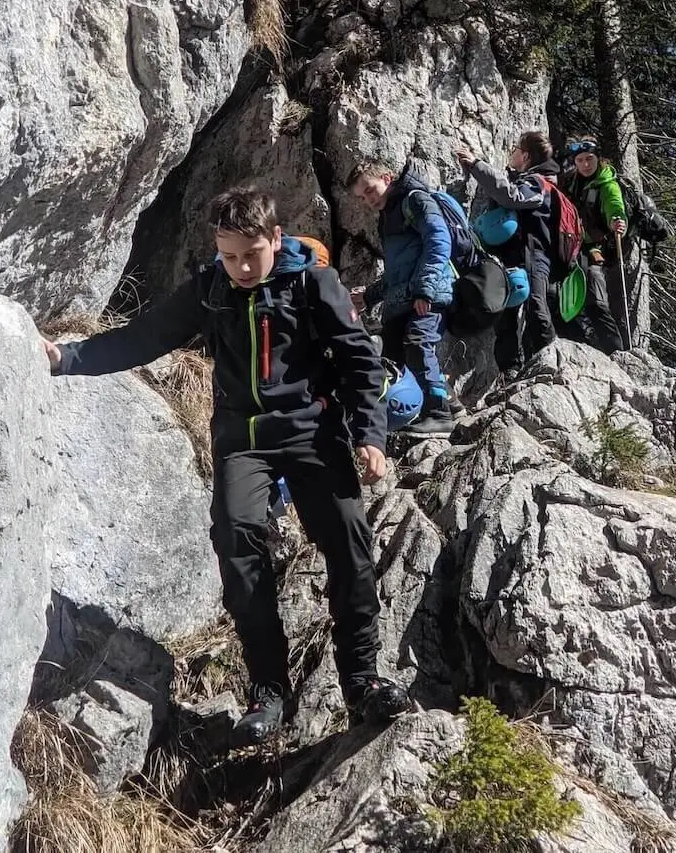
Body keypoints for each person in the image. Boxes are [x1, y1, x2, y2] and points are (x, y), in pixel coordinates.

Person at [42, 187, 411, 743]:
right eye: (228, 253)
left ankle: (361, 683)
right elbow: (147, 337)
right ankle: (269, 691)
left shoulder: (312, 283)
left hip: (313, 430)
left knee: (348, 541)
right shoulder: (212, 289)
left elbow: (360, 361)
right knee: (238, 542)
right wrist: (66, 358)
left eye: (251, 254)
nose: (240, 266)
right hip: (244, 438)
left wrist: (370, 435)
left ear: (275, 241)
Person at [347, 159, 460, 437]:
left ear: (387, 177)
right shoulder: (389, 216)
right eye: (362, 197)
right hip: (402, 300)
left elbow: (439, 240)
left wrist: (425, 289)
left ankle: (439, 414)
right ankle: (444, 403)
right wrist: (370, 296)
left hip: (426, 294)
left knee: (419, 344)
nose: (368, 200)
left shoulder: (416, 199)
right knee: (393, 359)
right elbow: (397, 270)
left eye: (370, 191)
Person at [456, 130, 563, 377]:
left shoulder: (538, 183)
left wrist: (477, 166)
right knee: (506, 311)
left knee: (536, 308)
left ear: (524, 155)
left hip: (535, 255)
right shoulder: (525, 179)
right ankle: (511, 371)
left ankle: (548, 363)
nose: (511, 153)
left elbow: (511, 196)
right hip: (514, 256)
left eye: (515, 149)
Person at [561, 138, 627, 354]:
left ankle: (616, 353)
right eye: (580, 160)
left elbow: (614, 205)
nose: (585, 164)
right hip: (570, 248)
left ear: (598, 159)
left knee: (596, 302)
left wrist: (617, 220)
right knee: (566, 302)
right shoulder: (570, 181)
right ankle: (579, 349)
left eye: (589, 159)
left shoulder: (607, 184)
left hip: (594, 250)